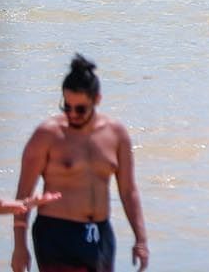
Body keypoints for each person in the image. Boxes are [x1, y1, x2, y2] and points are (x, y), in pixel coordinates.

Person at [11, 55, 149, 272]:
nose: (72, 114)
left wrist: (140, 240)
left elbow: (128, 191)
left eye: (80, 109)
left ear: (97, 100)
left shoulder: (116, 135)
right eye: (67, 107)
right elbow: (23, 194)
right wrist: (19, 246)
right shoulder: (47, 135)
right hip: (56, 234)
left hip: (100, 235)